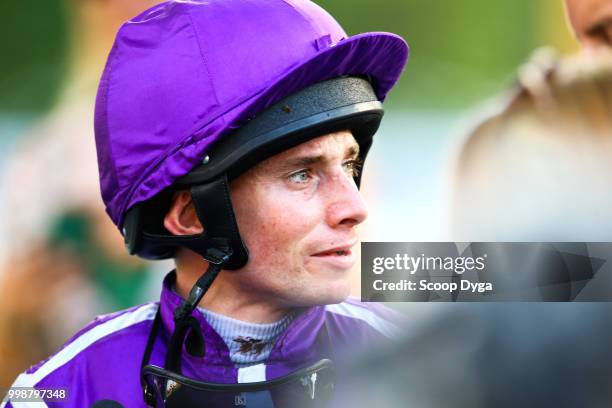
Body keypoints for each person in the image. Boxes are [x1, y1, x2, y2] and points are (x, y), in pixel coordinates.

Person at [2, 0, 408, 407]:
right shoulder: (50, 392)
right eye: (301, 174)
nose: (355, 207)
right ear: (190, 214)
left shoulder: (432, 366)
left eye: (349, 164)